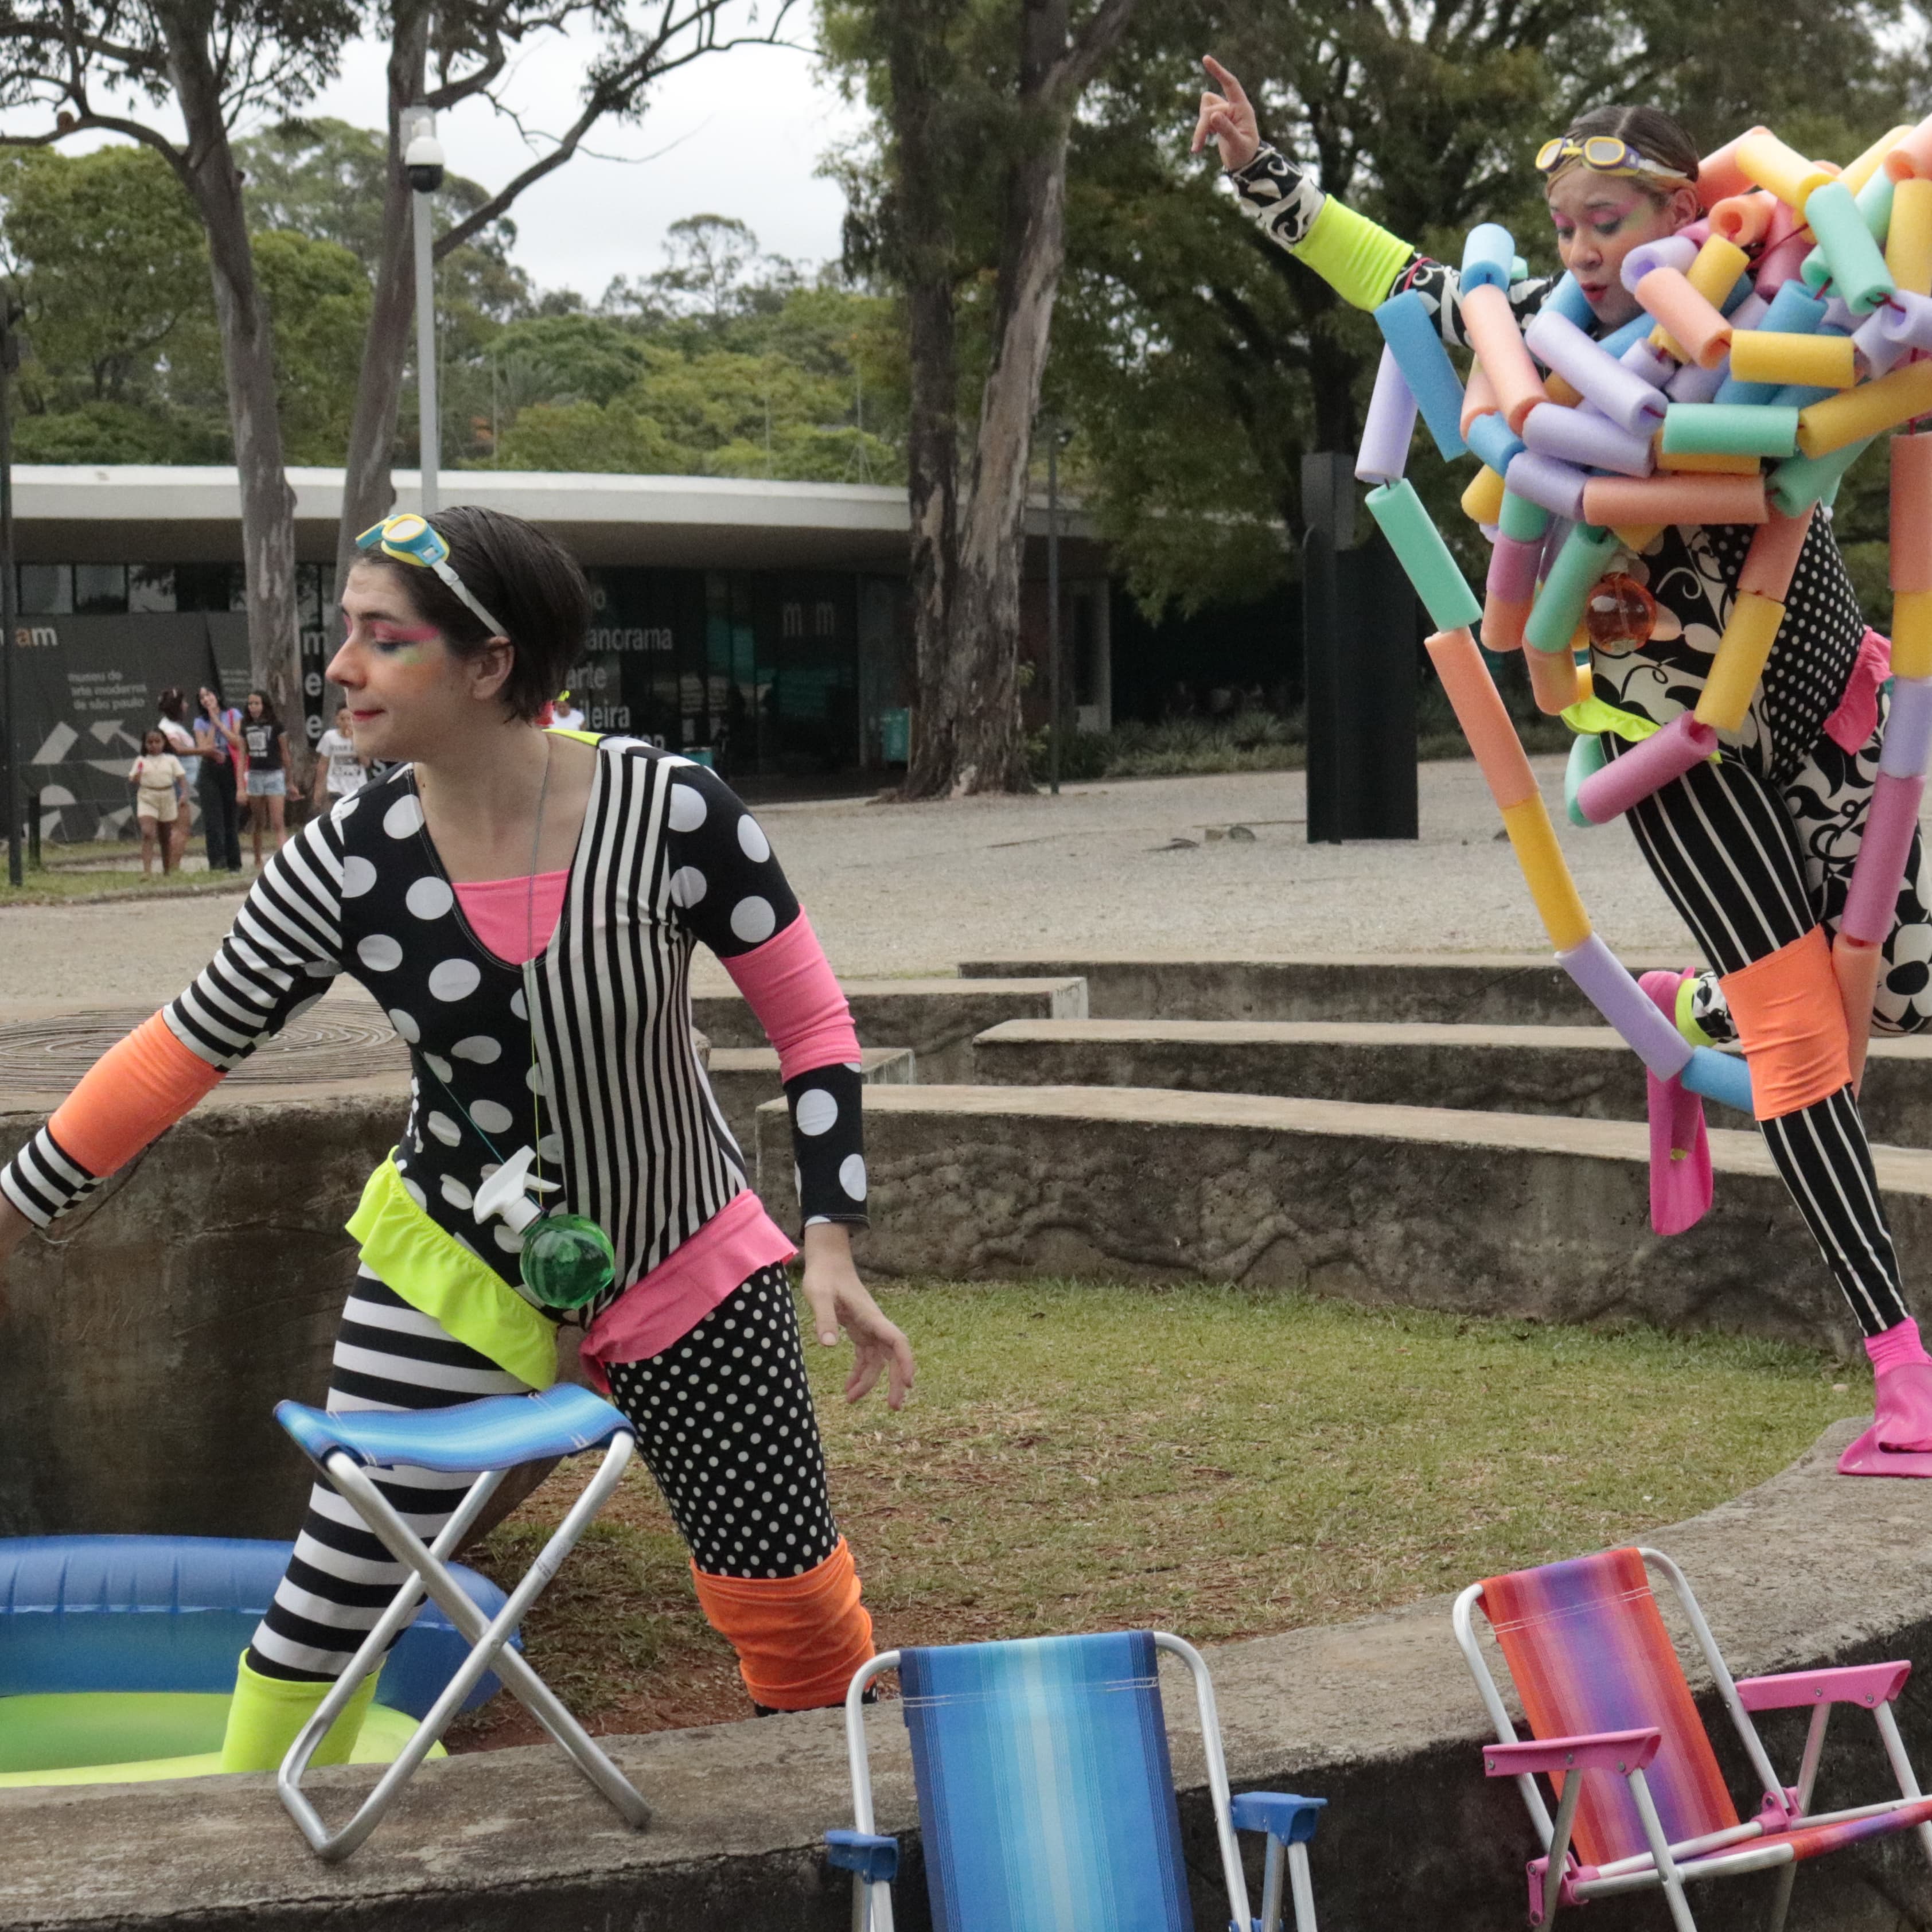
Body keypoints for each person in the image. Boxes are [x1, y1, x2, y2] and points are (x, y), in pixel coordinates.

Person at [0, 503, 912, 1771]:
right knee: (328, 1601)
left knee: (791, 1603)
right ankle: (238, 1849)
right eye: (342, 633)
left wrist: (829, 1241)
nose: (338, 665)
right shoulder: (341, 865)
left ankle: (846, 1838)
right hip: (454, 1259)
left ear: (490, 664)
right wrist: (18, 1202)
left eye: (384, 637)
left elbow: (813, 1024)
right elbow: (185, 1045)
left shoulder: (676, 813)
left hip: (687, 1251)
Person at [1193, 63, 1932, 1466]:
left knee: (1900, 989)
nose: (1585, 249)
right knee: (1800, 1039)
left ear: (1684, 210)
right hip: (1667, 750)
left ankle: (1681, 1011)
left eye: (1609, 220)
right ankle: (1902, 1366)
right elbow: (1391, 278)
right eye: (1567, 226)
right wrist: (1260, 175)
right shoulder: (1528, 349)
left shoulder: (1775, 303)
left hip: (1829, 706)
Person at [194, 685, 245, 874]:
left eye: (209, 694)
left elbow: (236, 742)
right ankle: (217, 863)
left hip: (229, 766)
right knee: (213, 818)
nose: (206, 699)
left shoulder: (233, 714)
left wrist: (219, 721)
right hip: (210, 770)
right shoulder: (200, 722)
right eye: (202, 698)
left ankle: (234, 862)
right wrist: (212, 724)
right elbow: (205, 748)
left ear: (216, 696)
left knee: (230, 817)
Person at [239, 690, 288, 866]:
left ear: (264, 705)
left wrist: (289, 781)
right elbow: (242, 757)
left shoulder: (276, 726)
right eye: (250, 704)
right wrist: (241, 786)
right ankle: (257, 858)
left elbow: (285, 753)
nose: (253, 707)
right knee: (259, 820)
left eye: (257, 703)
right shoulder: (245, 727)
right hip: (255, 775)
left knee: (278, 821)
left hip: (274, 774)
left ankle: (285, 860)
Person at [127, 729, 185, 877]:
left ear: (164, 742)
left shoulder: (171, 760)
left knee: (165, 837)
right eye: (150, 742)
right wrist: (137, 776)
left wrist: (184, 794)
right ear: (145, 744)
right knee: (148, 833)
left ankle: (167, 870)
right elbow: (133, 779)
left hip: (167, 796)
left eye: (157, 741)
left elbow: (181, 778)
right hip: (147, 796)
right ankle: (147, 872)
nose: (154, 745)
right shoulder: (141, 761)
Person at [155, 688, 200, 871]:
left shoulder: (176, 727)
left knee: (177, 828)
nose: (187, 706)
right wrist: (207, 751)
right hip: (175, 784)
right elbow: (179, 749)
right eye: (184, 703)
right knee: (181, 828)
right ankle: (172, 868)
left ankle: (172, 867)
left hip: (182, 783)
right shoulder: (167, 728)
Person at [311, 703, 366, 813]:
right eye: (343, 719)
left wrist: (353, 740)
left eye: (349, 719)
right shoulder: (330, 737)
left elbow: (366, 763)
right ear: (337, 720)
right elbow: (323, 764)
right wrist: (318, 789)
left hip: (357, 786)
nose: (346, 722)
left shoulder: (361, 736)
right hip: (335, 787)